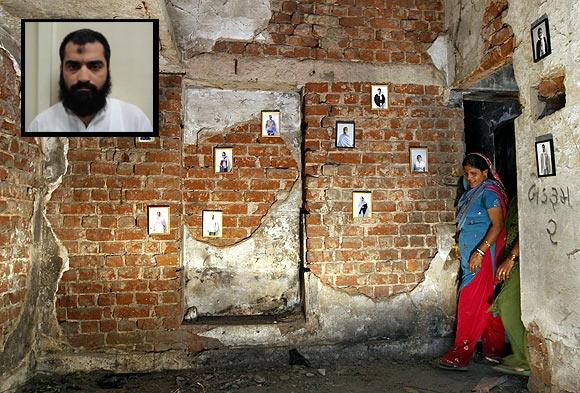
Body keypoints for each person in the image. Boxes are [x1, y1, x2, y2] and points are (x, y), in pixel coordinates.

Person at [439, 152, 508, 371]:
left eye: (474, 173)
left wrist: (480, 251)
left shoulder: (490, 193)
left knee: (470, 299)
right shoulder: (472, 193)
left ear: (486, 173)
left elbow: (497, 225)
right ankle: (494, 350)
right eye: (467, 174)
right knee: (486, 299)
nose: (470, 178)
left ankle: (460, 354)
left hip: (483, 256)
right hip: (471, 255)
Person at [27, 28, 152, 132]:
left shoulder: (135, 121)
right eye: (73, 66)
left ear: (108, 70)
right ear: (61, 70)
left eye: (95, 66)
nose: (83, 78)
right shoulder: (40, 126)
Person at [490, 197, 530, 376]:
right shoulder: (515, 197)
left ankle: (524, 360)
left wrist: (511, 259)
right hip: (513, 258)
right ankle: (520, 357)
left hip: (521, 259)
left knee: (506, 303)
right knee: (509, 304)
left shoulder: (529, 194)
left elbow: (529, 228)